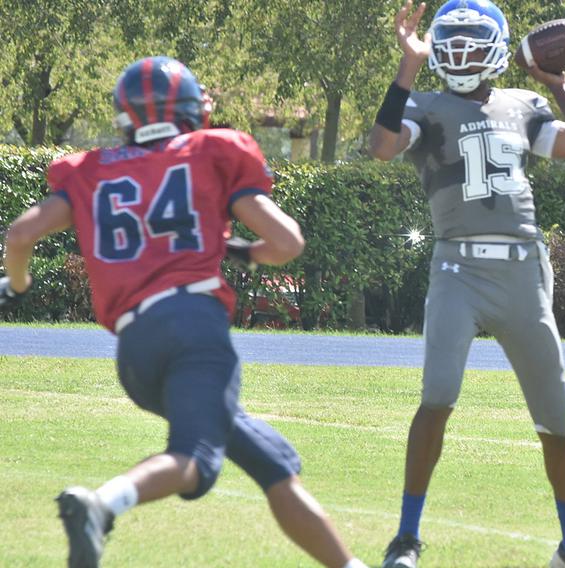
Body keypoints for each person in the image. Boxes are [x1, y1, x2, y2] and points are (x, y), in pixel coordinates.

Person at [0, 56, 367, 568]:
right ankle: (103, 504)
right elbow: (287, 242)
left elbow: (19, 234)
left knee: (271, 463)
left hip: (134, 352)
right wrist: (240, 249)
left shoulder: (92, 170)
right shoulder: (210, 152)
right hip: (193, 328)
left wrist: (16, 287)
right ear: (193, 110)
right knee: (194, 459)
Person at [368, 2, 565, 567]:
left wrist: (559, 86)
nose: (459, 52)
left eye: (470, 40)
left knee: (556, 420)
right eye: (449, 42)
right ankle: (405, 540)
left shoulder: (523, 104)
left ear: (498, 46)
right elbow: (381, 147)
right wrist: (407, 66)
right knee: (436, 397)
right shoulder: (425, 106)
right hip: (458, 266)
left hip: (523, 269)